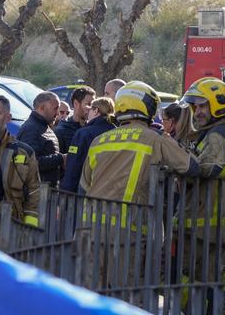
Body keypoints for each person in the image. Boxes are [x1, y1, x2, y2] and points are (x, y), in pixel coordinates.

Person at [81, 82, 200, 291]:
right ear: (148, 108)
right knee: (124, 296)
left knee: (91, 295)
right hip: (127, 233)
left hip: (90, 228)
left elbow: (85, 183)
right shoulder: (153, 139)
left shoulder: (99, 140)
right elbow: (191, 166)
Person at [179, 77, 225, 297]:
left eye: (202, 106)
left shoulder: (217, 132)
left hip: (205, 223)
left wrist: (177, 158)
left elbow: (208, 167)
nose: (197, 112)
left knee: (186, 279)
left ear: (217, 104)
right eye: (195, 107)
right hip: (222, 223)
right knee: (213, 283)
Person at [0, 95, 41, 230]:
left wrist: (28, 228)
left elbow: (35, 192)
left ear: (8, 118)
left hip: (12, 227)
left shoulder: (24, 152)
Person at [61, 96, 116, 194]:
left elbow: (74, 165)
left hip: (85, 190)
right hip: (111, 191)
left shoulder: (83, 133)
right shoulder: (118, 132)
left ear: (96, 111)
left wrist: (65, 194)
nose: (87, 112)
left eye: (90, 109)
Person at [16, 91, 65, 186]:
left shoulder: (43, 127)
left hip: (44, 190)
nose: (58, 113)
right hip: (36, 193)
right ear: (42, 108)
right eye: (55, 108)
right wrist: (61, 158)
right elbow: (31, 162)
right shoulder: (31, 129)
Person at [54, 85, 95, 153]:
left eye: (93, 105)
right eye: (88, 104)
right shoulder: (62, 131)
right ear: (76, 103)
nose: (91, 108)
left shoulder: (93, 127)